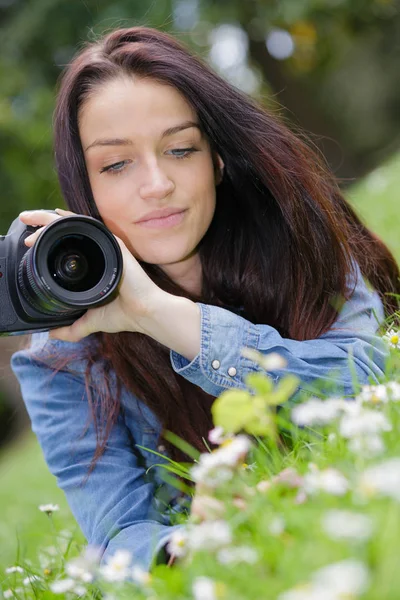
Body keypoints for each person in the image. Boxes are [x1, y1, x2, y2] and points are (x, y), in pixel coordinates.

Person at [10, 26, 400, 571]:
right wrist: (187, 543)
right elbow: (117, 533)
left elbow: (377, 379)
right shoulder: (63, 349)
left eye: (180, 148)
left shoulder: (295, 230)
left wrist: (163, 316)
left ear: (216, 160)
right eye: (116, 164)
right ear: (84, 189)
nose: (157, 184)